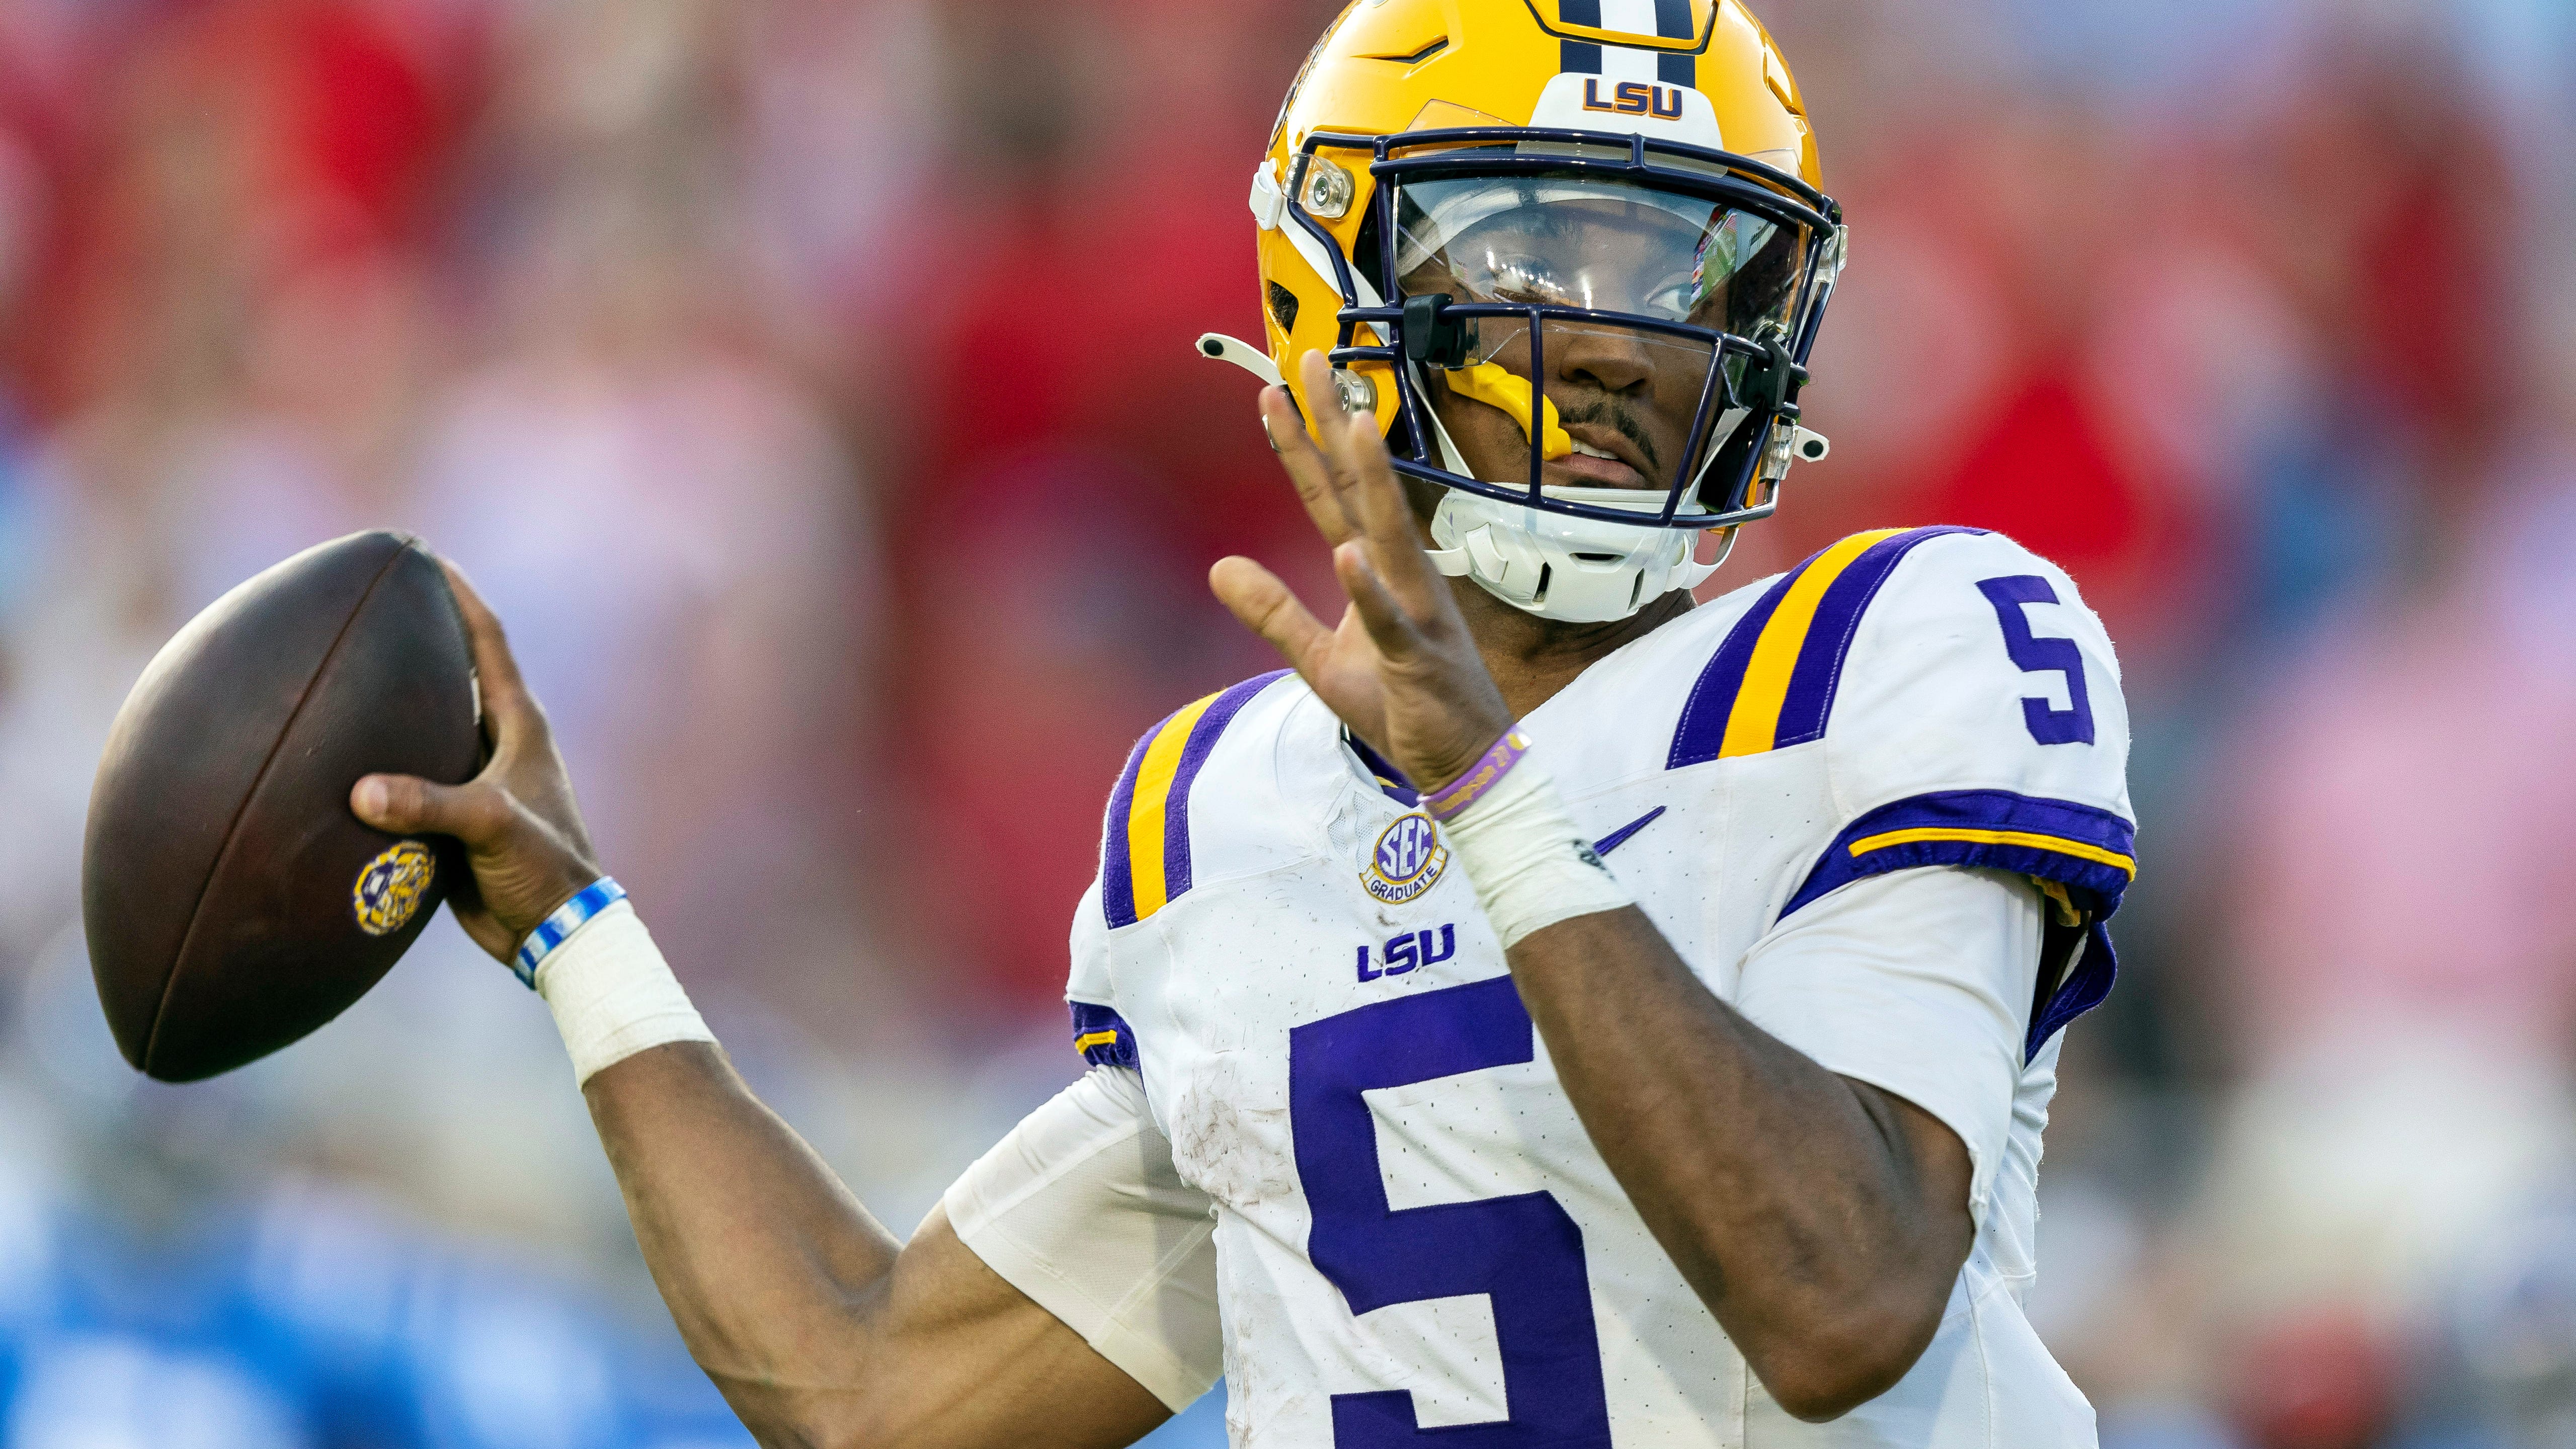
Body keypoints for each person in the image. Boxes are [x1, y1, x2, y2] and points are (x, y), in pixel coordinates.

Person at [351, 2, 2135, 1443]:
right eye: (1544, 251)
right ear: (1335, 300)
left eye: (1690, 275)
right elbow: (873, 1385)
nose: (1625, 346)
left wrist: (1492, 802)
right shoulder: (1226, 808)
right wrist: (578, 929)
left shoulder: (1901, 646)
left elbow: (1847, 1302)